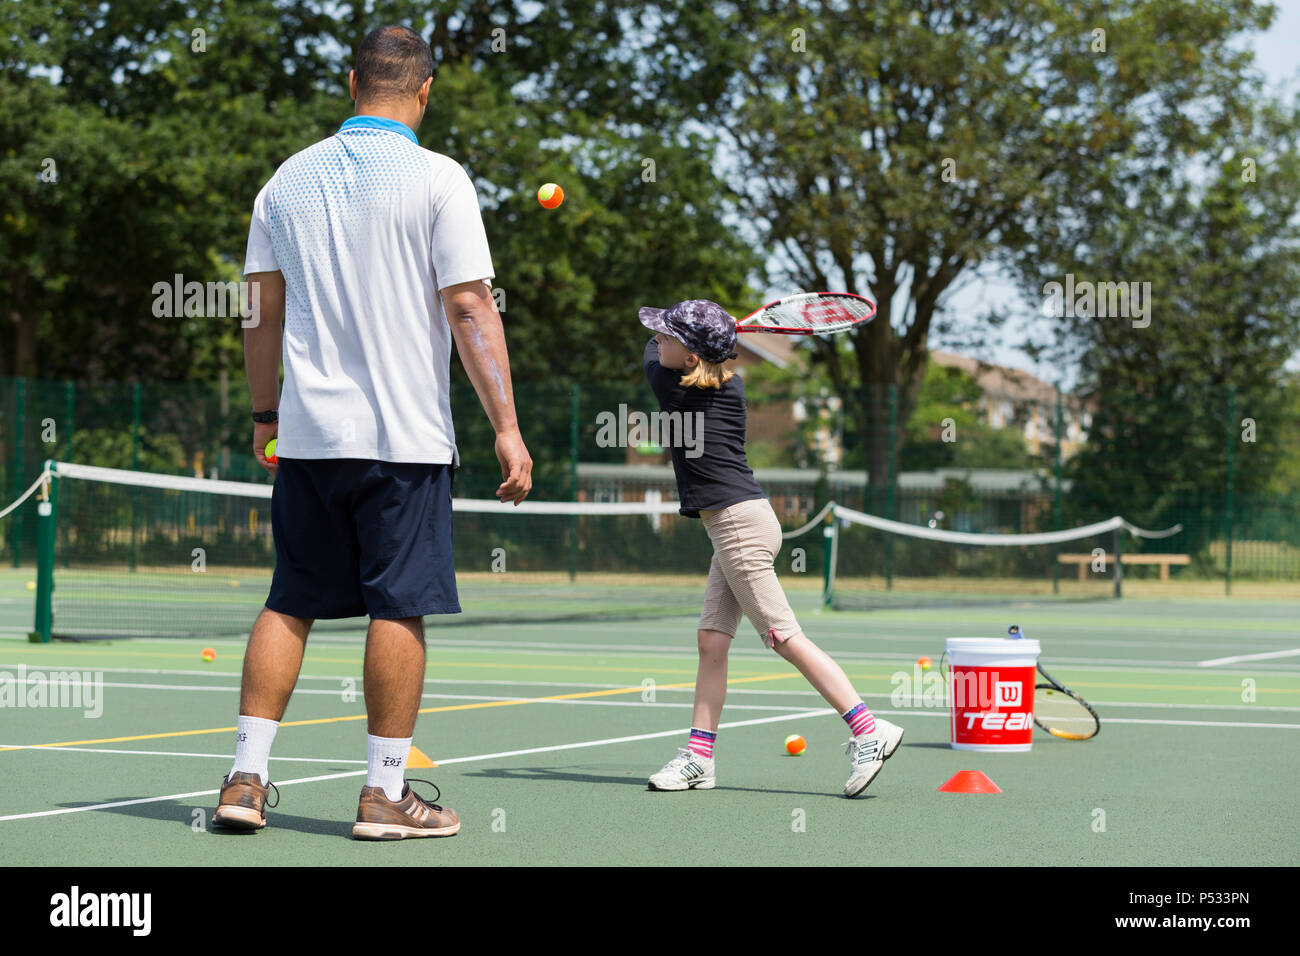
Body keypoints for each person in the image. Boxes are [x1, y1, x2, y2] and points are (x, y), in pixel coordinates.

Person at [214, 25, 532, 840]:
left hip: (311, 439)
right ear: (425, 91)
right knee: (401, 605)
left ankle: (245, 781)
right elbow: (469, 307)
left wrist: (265, 415)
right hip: (406, 442)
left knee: (290, 600)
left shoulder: (284, 181)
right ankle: (383, 796)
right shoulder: (441, 179)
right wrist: (507, 427)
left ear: (352, 81)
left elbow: (258, 312)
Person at [639, 300, 903, 798]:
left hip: (739, 528)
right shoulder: (731, 385)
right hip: (740, 523)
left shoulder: (674, 390)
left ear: (692, 358)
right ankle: (699, 758)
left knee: (783, 636)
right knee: (712, 641)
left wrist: (699, 332)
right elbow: (664, 349)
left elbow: (648, 356)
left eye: (668, 336)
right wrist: (701, 333)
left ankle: (869, 729)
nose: (658, 341)